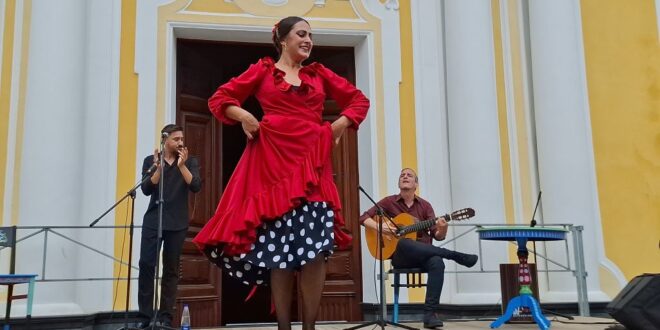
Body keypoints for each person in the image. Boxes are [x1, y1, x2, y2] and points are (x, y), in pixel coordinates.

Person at [192, 16, 369, 330]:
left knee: (315, 255)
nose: (308, 40)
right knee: (281, 257)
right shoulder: (262, 71)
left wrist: (339, 124)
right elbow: (220, 99)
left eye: (311, 35)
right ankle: (284, 328)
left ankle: (310, 327)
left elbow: (358, 100)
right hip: (273, 171)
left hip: (313, 169)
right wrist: (244, 114)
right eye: (301, 34)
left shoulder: (319, 74)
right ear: (283, 39)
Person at [359, 168, 478, 329]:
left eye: (409, 175)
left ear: (416, 184)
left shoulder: (425, 206)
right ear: (399, 183)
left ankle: (429, 315)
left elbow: (438, 236)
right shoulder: (388, 202)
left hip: (424, 255)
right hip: (401, 257)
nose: (405, 177)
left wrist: (443, 227)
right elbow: (363, 217)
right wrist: (381, 228)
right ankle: (455, 255)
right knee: (404, 243)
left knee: (437, 263)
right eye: (402, 175)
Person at [136, 124, 202, 328]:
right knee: (147, 266)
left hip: (177, 223)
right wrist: (158, 168)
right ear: (165, 140)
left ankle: (165, 318)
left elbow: (196, 186)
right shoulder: (151, 160)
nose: (181, 142)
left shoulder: (190, 161)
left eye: (182, 139)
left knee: (171, 270)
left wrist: (181, 166)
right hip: (153, 221)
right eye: (176, 139)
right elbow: (146, 189)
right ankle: (145, 318)